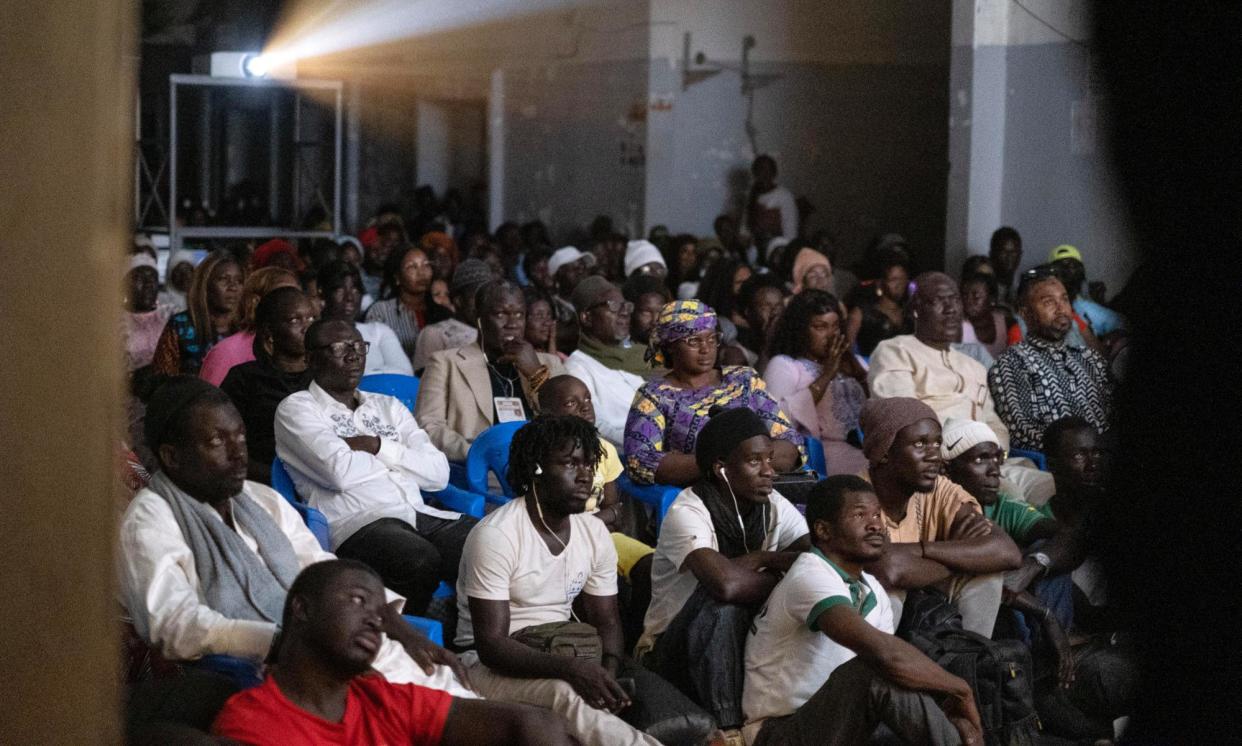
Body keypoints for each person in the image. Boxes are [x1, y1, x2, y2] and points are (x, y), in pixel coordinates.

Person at [118, 377, 472, 712]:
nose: (238, 453)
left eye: (240, 437)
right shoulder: (149, 522)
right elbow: (175, 626)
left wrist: (403, 630)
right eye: (216, 442)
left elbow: (322, 570)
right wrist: (287, 646)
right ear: (172, 456)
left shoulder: (259, 499)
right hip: (282, 676)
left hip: (340, 646)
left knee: (471, 705)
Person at [455, 417, 671, 746]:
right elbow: (491, 645)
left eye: (589, 463)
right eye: (570, 463)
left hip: (564, 648)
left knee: (644, 693)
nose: (586, 475)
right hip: (486, 664)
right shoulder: (496, 536)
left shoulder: (593, 532)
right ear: (536, 468)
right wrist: (571, 671)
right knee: (564, 694)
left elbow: (606, 619)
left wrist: (608, 670)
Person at [211, 559, 574, 746]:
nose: (375, 620)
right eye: (357, 600)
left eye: (381, 611)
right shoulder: (253, 722)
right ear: (302, 609)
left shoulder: (382, 699)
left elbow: (534, 723)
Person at [742, 475, 983, 746]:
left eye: (878, 515)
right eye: (860, 515)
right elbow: (884, 656)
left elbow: (896, 671)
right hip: (780, 732)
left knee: (909, 684)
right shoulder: (809, 575)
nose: (876, 525)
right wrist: (961, 690)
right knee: (875, 670)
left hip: (844, 723)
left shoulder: (873, 590)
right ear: (823, 531)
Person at [275, 320, 475, 615]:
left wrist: (375, 445)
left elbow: (438, 473)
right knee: (420, 559)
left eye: (359, 346)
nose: (354, 355)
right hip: (359, 523)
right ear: (310, 359)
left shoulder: (388, 406)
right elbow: (339, 472)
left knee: (489, 540)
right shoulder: (297, 408)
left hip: (418, 513)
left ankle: (467, 635)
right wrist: (404, 460)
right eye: (340, 348)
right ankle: (406, 637)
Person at [637, 407, 810, 730]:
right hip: (672, 649)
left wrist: (761, 559)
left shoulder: (772, 504)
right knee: (724, 608)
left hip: (742, 640)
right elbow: (726, 586)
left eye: (770, 459)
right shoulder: (688, 511)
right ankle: (731, 730)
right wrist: (781, 572)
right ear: (722, 469)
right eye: (755, 461)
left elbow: (817, 559)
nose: (769, 471)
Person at [859, 397, 1022, 637]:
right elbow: (889, 570)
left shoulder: (940, 488)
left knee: (987, 576)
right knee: (888, 594)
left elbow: (1006, 552)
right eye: (920, 444)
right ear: (884, 452)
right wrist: (959, 555)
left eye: (937, 443)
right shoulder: (856, 496)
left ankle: (967, 661)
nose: (934, 455)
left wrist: (922, 551)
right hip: (868, 614)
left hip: (923, 589)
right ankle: (881, 673)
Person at [624, 300, 804, 486]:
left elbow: (788, 443)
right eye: (694, 341)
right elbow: (641, 461)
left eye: (712, 339)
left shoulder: (744, 379)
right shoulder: (654, 396)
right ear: (670, 345)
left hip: (767, 489)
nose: (706, 349)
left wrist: (735, 464)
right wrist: (736, 463)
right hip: (704, 499)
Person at [415, 279, 566, 462]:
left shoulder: (549, 364)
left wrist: (536, 374)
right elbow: (428, 427)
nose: (513, 323)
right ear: (479, 319)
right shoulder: (446, 363)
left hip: (542, 470)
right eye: (501, 314)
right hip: (478, 472)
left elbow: (571, 423)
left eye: (519, 314)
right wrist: (478, 455)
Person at [869, 271, 1012, 449]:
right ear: (916, 310)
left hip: (988, 462)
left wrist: (999, 453)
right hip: (933, 464)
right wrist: (966, 452)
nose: (951, 309)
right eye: (939, 301)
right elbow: (907, 424)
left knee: (1045, 478)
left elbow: (993, 422)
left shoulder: (974, 367)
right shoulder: (895, 352)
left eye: (955, 300)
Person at [988, 269, 1114, 452]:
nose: (1061, 308)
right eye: (1048, 302)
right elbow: (1022, 432)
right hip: (1057, 465)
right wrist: (1080, 451)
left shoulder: (1091, 358)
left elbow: (1116, 412)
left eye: (1064, 299)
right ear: (1025, 313)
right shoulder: (1011, 363)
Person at [763, 289, 869, 476]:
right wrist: (827, 374)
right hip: (822, 458)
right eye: (820, 327)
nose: (831, 335)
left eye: (835, 326)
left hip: (867, 450)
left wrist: (855, 368)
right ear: (801, 329)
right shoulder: (786, 366)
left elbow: (878, 408)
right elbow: (776, 423)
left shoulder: (856, 363)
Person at [220, 287, 316, 483]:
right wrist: (280, 479)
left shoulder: (323, 375)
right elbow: (226, 443)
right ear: (269, 332)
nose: (307, 328)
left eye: (311, 318)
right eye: (295, 320)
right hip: (263, 481)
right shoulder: (244, 378)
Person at [941, 418, 1057, 548]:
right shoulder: (925, 511)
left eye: (996, 459)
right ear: (947, 469)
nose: (994, 471)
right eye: (980, 459)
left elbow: (1060, 534)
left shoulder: (1003, 506)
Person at [565, 276, 645, 447]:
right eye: (613, 305)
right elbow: (596, 424)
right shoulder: (577, 368)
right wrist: (646, 441)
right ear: (586, 317)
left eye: (625, 306)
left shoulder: (643, 356)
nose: (624, 312)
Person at [199, 266, 300, 387]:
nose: (294, 304)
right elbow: (209, 403)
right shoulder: (227, 353)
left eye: (297, 296)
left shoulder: (304, 348)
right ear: (256, 302)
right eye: (284, 297)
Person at [152, 250, 244, 376]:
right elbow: (161, 378)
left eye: (239, 281)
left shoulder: (248, 327)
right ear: (205, 285)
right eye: (224, 279)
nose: (233, 287)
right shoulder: (181, 326)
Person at [316, 259, 413, 376]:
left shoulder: (378, 331)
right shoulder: (315, 337)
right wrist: (380, 372)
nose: (350, 298)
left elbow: (405, 374)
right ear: (322, 293)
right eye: (340, 290)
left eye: (355, 290)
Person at [411, 258, 493, 374]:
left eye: (488, 296)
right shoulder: (435, 333)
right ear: (459, 301)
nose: (483, 303)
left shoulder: (495, 330)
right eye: (476, 298)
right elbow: (424, 380)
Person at [365, 244, 435, 360]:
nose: (422, 273)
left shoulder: (441, 312)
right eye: (412, 267)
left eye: (426, 265)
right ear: (397, 277)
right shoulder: (380, 311)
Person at [845, 247, 912, 358]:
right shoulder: (861, 313)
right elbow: (848, 350)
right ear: (880, 283)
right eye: (893, 280)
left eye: (903, 279)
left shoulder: (909, 313)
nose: (899, 285)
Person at [1049, 244, 1126, 338]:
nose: (1067, 272)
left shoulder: (1085, 308)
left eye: (1072, 266)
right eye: (1062, 268)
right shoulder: (1043, 309)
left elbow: (1119, 324)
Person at [745, 155, 798, 253]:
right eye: (760, 171)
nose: (763, 174)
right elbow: (747, 229)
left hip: (778, 250)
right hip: (757, 250)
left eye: (767, 170)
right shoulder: (752, 196)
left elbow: (790, 229)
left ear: (774, 173)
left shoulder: (784, 195)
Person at [734, 273, 786, 367]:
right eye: (766, 306)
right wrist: (767, 343)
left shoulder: (790, 340)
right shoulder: (737, 349)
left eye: (778, 305)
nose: (774, 312)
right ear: (749, 312)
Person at [959, 271, 1008, 360]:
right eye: (965, 296)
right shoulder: (960, 328)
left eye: (976, 297)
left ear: (992, 299)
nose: (968, 301)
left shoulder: (1005, 322)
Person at [622, 273, 672, 348]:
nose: (655, 320)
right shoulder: (620, 350)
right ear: (630, 312)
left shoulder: (672, 349)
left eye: (661, 312)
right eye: (646, 313)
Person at [522, 286, 562, 358]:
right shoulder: (519, 358)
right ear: (523, 320)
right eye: (539, 315)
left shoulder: (561, 357)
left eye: (549, 315)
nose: (547, 323)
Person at [989, 226, 1023, 309]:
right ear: (992, 254)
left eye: (1013, 252)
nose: (1009, 257)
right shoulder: (984, 290)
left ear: (1020, 255)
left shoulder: (1024, 289)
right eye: (1004, 252)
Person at [159, 246, 198, 313]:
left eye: (188, 270)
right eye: (178, 271)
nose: (184, 276)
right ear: (170, 275)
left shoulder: (201, 301)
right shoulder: (160, 302)